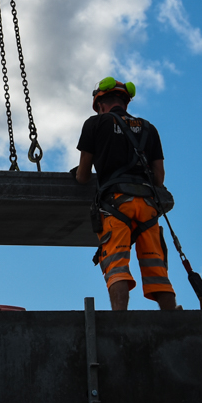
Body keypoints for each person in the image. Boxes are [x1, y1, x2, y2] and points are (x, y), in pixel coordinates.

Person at [75, 76, 178, 311]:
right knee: (157, 270)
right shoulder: (148, 128)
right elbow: (159, 178)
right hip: (148, 206)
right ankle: (172, 320)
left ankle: (119, 322)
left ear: (100, 105)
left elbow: (82, 176)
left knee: (117, 267)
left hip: (116, 204)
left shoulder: (95, 124)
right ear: (126, 103)